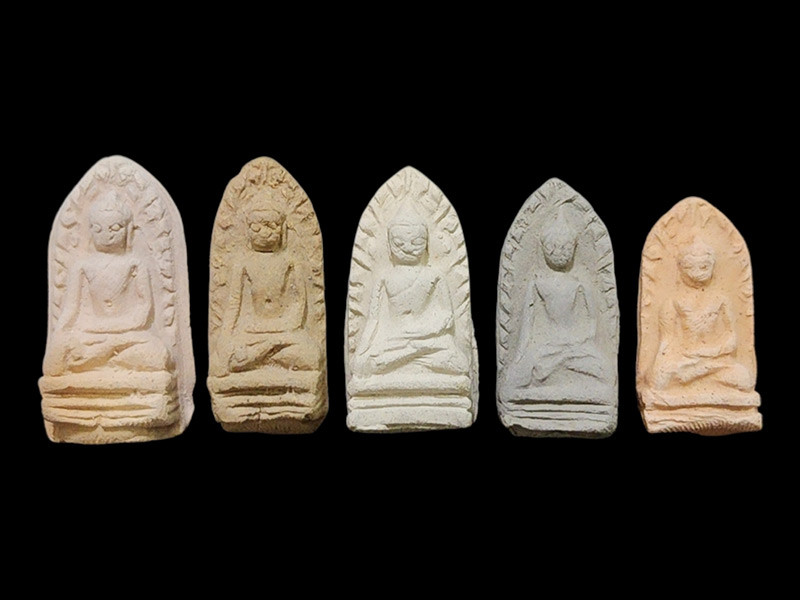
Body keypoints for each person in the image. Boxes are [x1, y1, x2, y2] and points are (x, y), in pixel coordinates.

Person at [43, 191, 170, 376]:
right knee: (56, 358)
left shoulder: (135, 264)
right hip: (90, 332)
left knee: (158, 355)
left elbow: (144, 311)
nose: (106, 235)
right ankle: (108, 358)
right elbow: (70, 310)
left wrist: (113, 332)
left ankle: (98, 360)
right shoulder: (82, 266)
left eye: (115, 228)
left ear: (128, 230)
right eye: (98, 229)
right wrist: (59, 335)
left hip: (128, 333)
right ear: (90, 231)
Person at [353, 203, 468, 378]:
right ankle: (412, 359)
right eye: (399, 243)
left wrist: (425, 331)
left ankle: (407, 359)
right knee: (368, 363)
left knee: (460, 363)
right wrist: (361, 353)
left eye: (417, 242)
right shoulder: (384, 278)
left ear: (427, 244)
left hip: (428, 339)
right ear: (389, 245)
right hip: (393, 340)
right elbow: (373, 320)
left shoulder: (435, 276)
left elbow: (447, 316)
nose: (408, 248)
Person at [214, 195, 321, 376]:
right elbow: (234, 303)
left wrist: (285, 327)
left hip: (285, 329)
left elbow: (299, 302)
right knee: (224, 354)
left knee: (312, 356)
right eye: (257, 227)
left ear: (282, 229)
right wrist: (225, 336)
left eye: (271, 226)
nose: (264, 233)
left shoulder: (290, 260)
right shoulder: (243, 262)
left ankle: (256, 358)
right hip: (252, 329)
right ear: (248, 230)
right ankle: (268, 356)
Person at [507, 209, 609, 390]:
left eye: (566, 248)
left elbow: (593, 323)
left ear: (574, 249)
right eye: (552, 247)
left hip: (576, 346)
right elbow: (526, 327)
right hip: (545, 346)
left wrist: (580, 342)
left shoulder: (581, 285)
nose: (559, 253)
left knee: (603, 371)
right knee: (524, 373)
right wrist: (521, 355)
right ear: (544, 249)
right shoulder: (536, 283)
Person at [649, 237, 752, 390]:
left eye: (703, 267)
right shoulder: (673, 302)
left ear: (712, 267)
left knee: (744, 378)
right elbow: (667, 341)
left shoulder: (721, 300)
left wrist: (708, 353)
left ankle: (696, 380)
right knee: (659, 379)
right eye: (690, 267)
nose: (696, 274)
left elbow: (731, 338)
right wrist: (664, 363)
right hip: (684, 359)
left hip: (715, 360)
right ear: (680, 268)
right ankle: (697, 380)